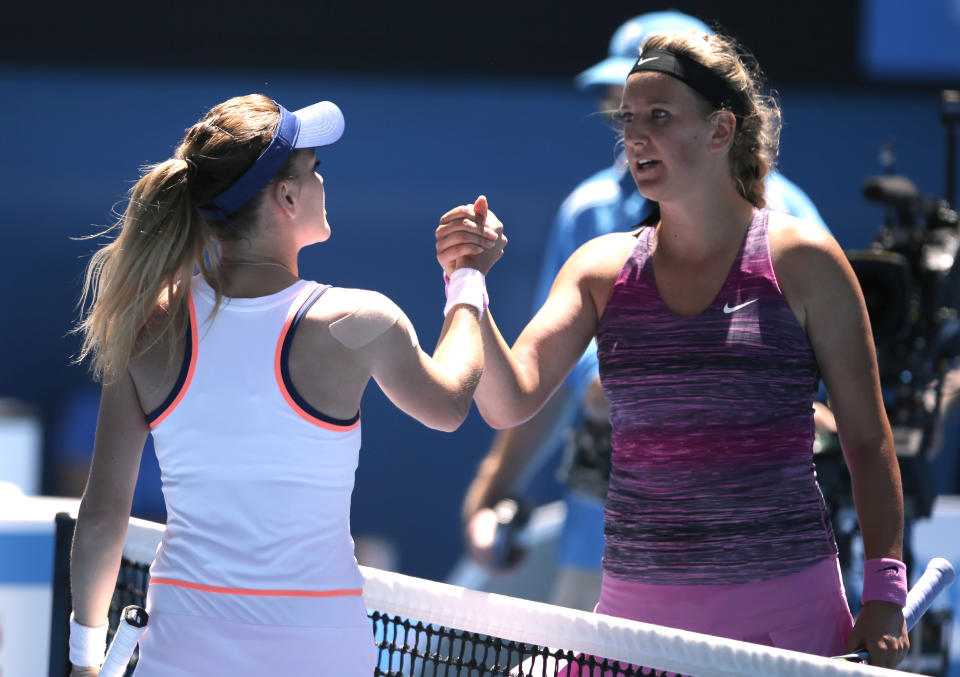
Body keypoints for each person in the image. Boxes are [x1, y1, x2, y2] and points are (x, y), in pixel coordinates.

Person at [437, 28, 909, 666]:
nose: (635, 136)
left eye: (659, 116)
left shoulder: (804, 260)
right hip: (637, 624)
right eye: (628, 119)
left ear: (721, 131)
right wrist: (469, 280)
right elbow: (507, 398)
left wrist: (884, 594)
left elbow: (866, 438)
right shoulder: (599, 267)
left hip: (788, 622)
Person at [68, 94, 504, 676]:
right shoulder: (362, 322)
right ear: (287, 196)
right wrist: (467, 282)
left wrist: (83, 660)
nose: (322, 182)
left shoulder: (149, 327)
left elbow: (101, 517)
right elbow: (450, 405)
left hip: (181, 652)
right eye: (314, 170)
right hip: (320, 655)